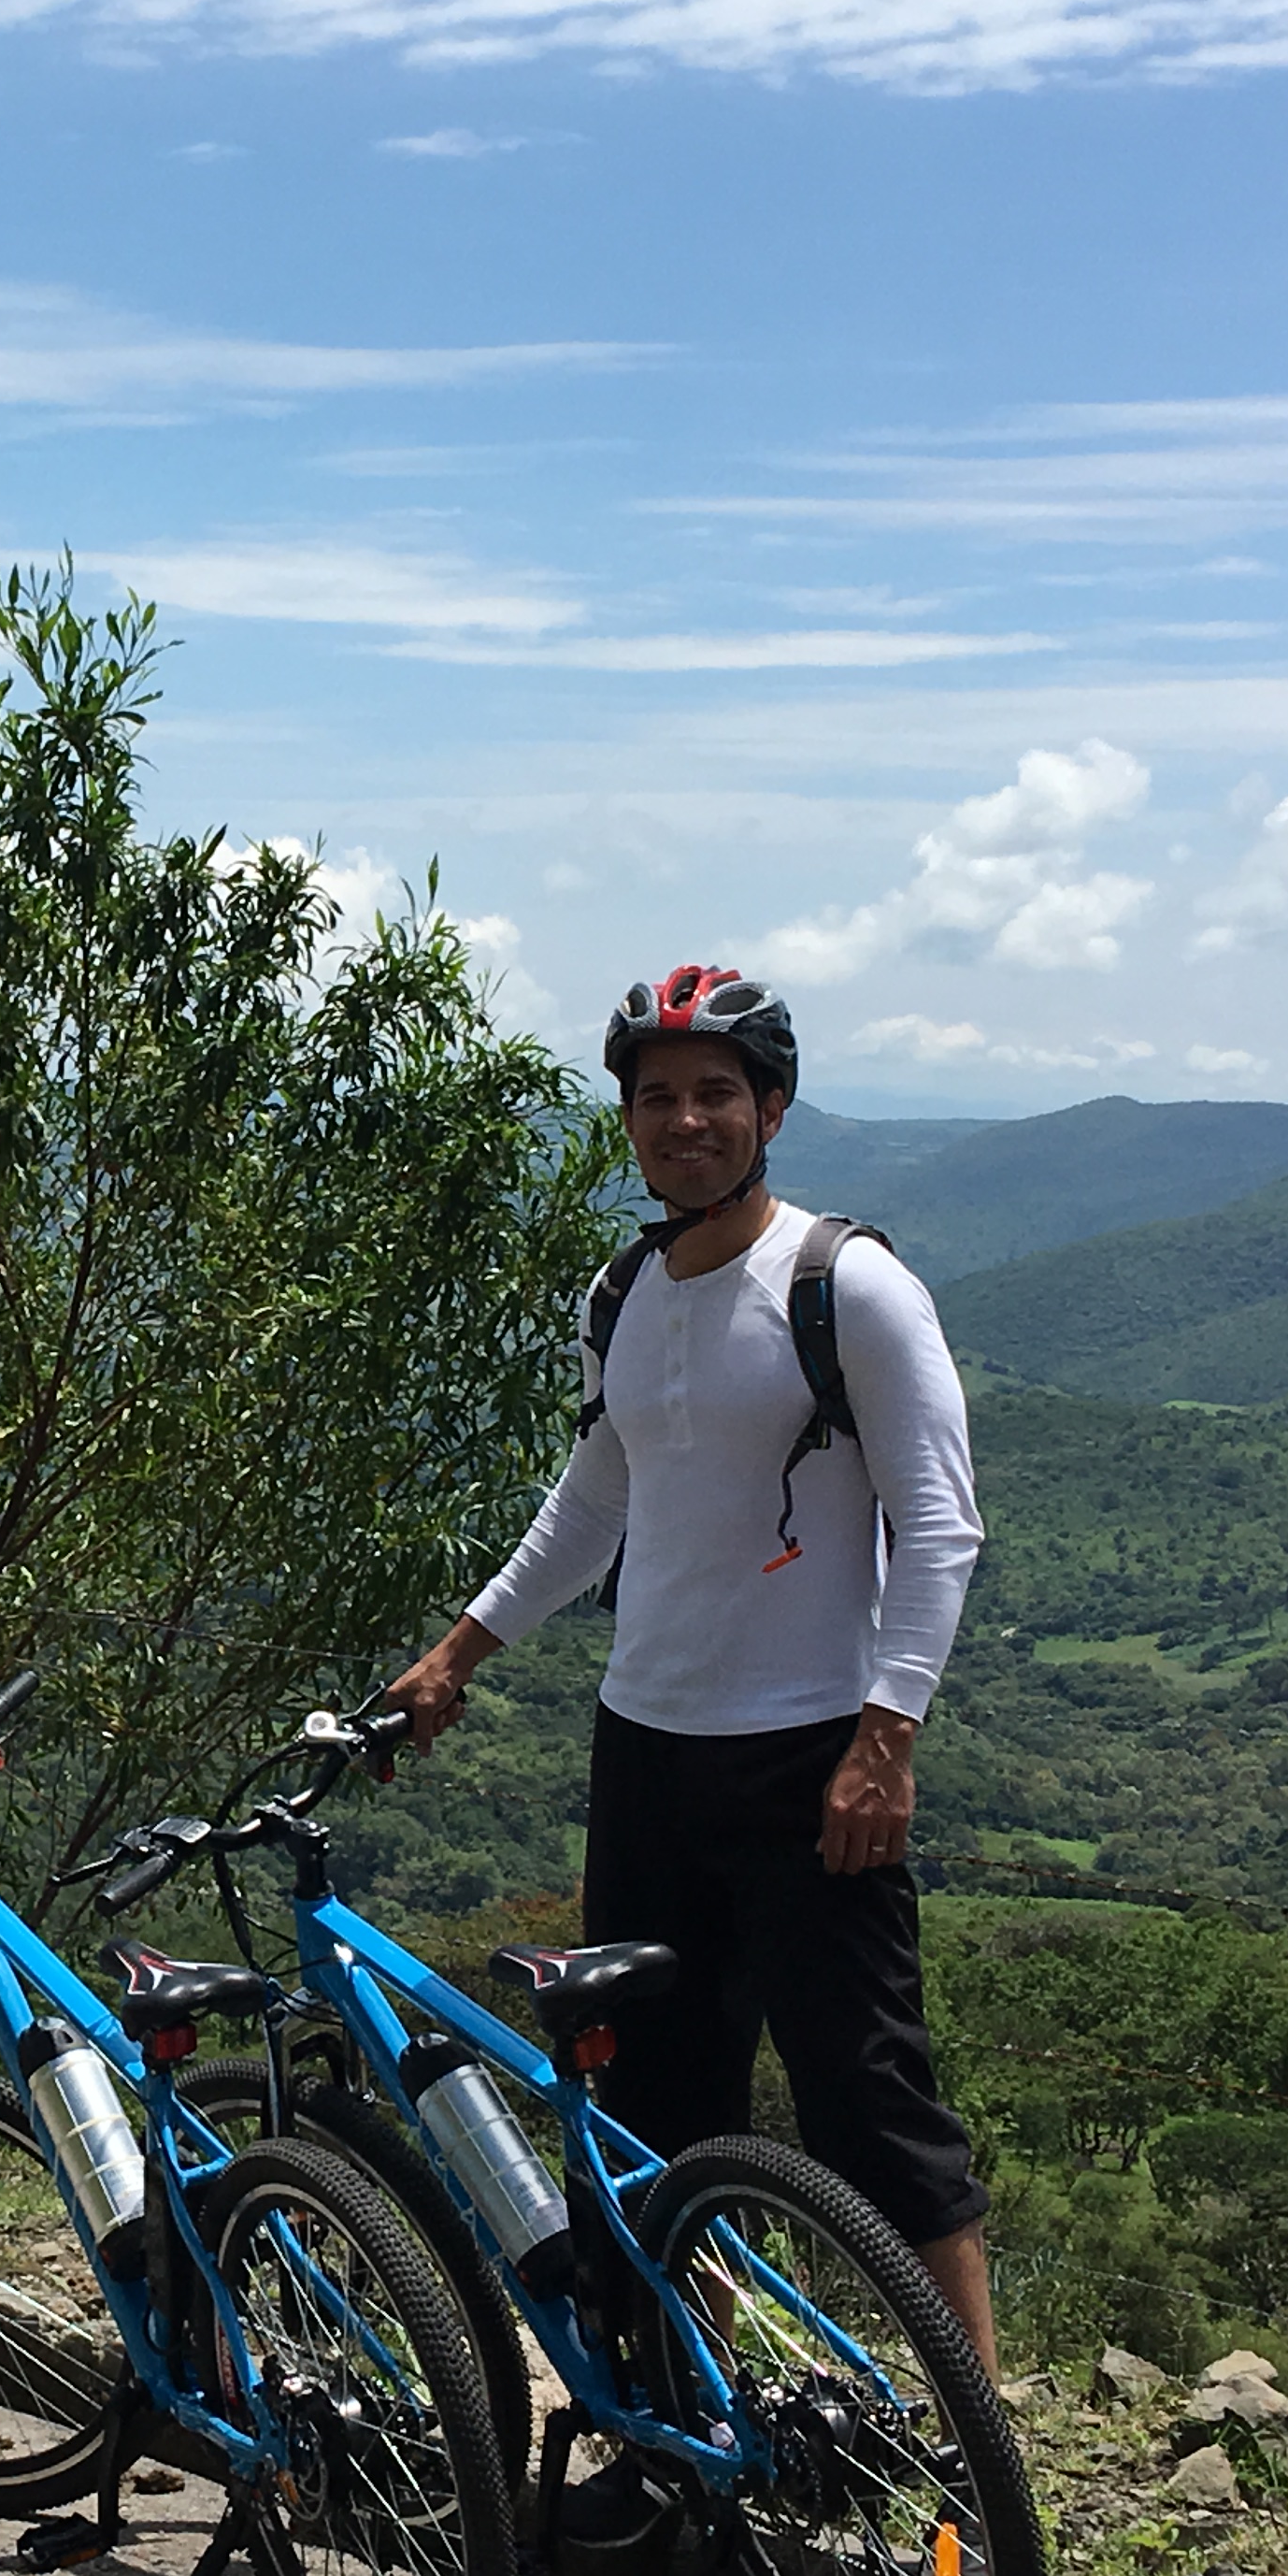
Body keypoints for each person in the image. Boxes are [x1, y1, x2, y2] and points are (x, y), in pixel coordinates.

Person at [384, 962, 1000, 2374]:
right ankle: (689, 2435)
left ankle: (983, 2468)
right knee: (653, 2118)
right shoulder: (626, 1297)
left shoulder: (849, 1288)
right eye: (656, 1099)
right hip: (646, 1755)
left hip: (808, 1762)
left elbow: (942, 1521)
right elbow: (592, 1503)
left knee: (871, 2111)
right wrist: (456, 1653)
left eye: (716, 1093)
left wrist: (884, 1739)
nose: (686, 1121)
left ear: (771, 1109)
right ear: (629, 1124)